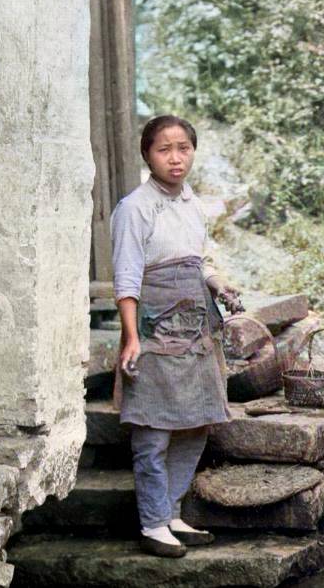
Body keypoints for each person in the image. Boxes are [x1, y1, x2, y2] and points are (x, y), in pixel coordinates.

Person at [111, 115, 244, 558]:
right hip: (152, 328)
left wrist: (218, 284)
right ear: (147, 154)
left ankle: (170, 513)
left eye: (183, 147)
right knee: (152, 429)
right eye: (164, 149)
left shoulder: (191, 204)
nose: (175, 157)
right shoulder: (135, 207)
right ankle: (151, 523)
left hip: (195, 328)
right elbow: (127, 279)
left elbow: (198, 260)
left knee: (196, 424)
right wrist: (132, 339)